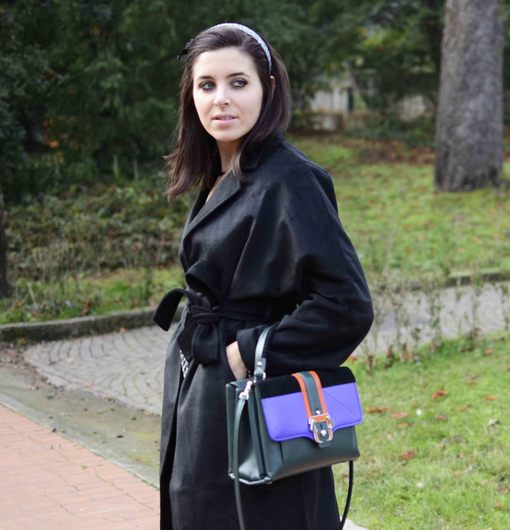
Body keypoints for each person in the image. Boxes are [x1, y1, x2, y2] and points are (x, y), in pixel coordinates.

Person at [152, 22, 374, 530]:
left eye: (238, 82)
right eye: (206, 85)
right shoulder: (220, 172)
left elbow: (346, 305)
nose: (221, 99)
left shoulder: (290, 178)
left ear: (267, 88)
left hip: (252, 397)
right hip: (203, 385)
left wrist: (252, 350)